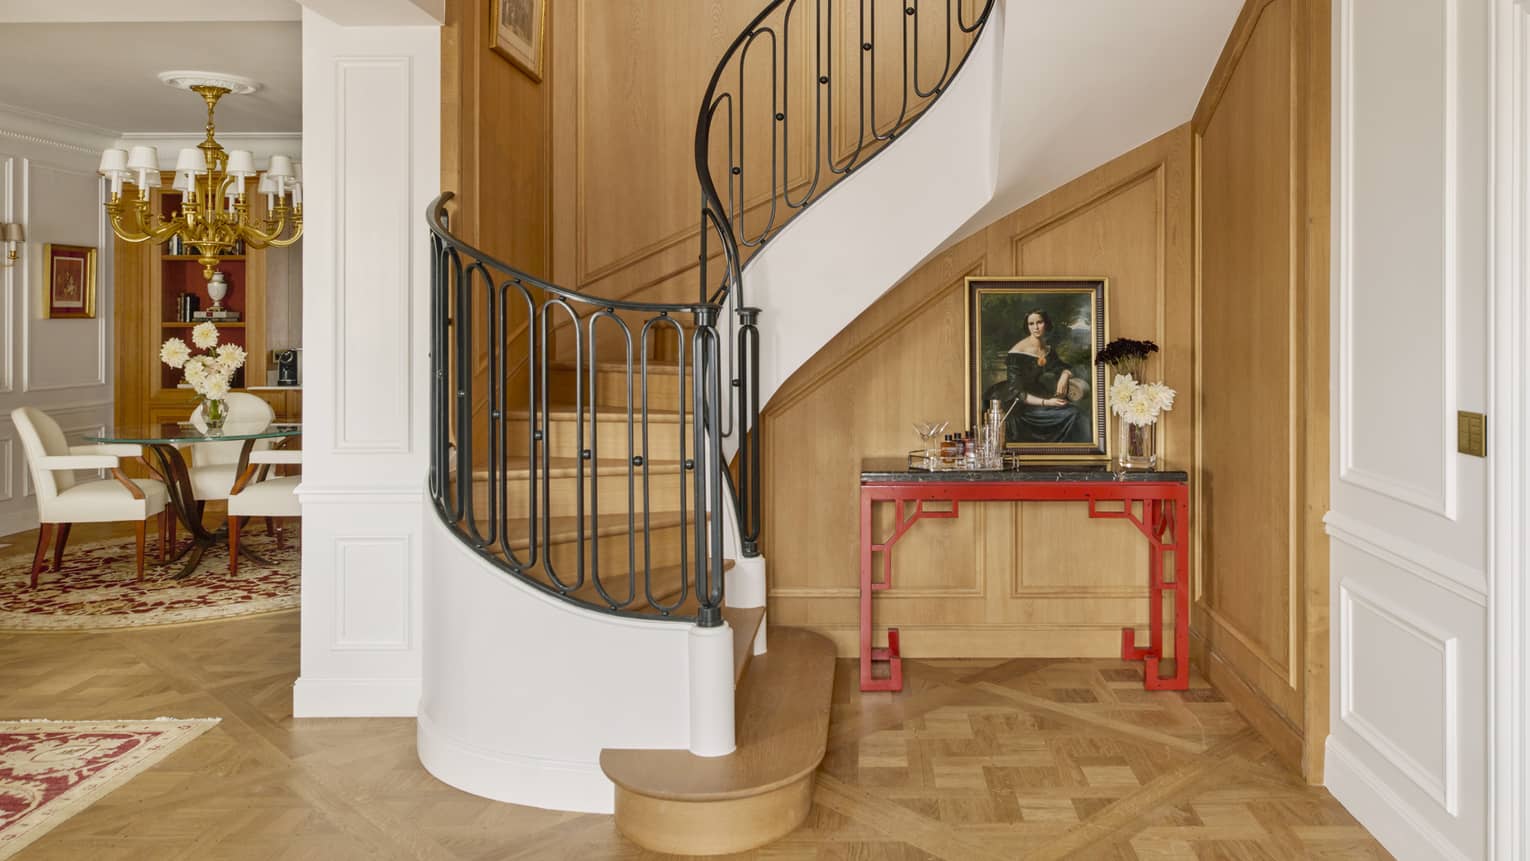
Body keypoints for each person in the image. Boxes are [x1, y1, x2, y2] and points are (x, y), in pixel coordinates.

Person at [981, 309, 1089, 444]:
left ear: (1046, 324)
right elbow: (1018, 393)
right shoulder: (1017, 353)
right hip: (1018, 403)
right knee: (1073, 414)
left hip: (1039, 394)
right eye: (1031, 324)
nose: (1036, 327)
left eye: (1039, 322)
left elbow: (1061, 366)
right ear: (1027, 326)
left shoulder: (1046, 348)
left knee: (1077, 413)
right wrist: (1048, 402)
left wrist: (1065, 375)